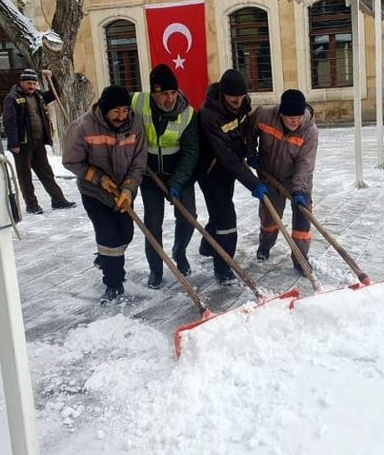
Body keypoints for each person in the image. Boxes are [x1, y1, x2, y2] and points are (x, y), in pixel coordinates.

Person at [62, 85, 147, 303]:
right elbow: (71, 161)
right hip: (95, 193)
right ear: (104, 108)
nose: (121, 116)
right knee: (109, 236)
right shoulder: (82, 127)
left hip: (123, 191)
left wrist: (128, 189)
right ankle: (114, 283)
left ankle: (106, 258)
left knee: (126, 234)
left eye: (125, 110)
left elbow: (139, 162)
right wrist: (98, 178)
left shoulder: (135, 124)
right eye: (116, 111)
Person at [131, 64, 198, 289]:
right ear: (153, 93)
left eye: (172, 92)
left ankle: (179, 252)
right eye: (163, 93)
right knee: (153, 224)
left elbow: (191, 153)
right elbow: (110, 104)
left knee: (188, 217)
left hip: (179, 173)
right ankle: (156, 269)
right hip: (150, 176)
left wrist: (177, 183)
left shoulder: (187, 113)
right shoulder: (138, 103)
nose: (169, 99)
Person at [197, 69, 267, 285]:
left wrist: (251, 153)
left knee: (219, 213)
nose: (238, 100)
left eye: (241, 95)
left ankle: (208, 245)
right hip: (210, 171)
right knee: (227, 219)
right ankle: (223, 269)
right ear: (223, 94)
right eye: (233, 97)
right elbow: (225, 154)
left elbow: (244, 131)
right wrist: (253, 183)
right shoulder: (208, 114)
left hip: (231, 169)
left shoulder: (243, 103)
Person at [248, 89, 318, 275]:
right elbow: (248, 132)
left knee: (303, 220)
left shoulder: (309, 131)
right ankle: (265, 246)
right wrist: (250, 152)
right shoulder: (264, 115)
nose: (295, 121)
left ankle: (300, 259)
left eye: (298, 117)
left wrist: (299, 191)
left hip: (298, 180)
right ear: (280, 114)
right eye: (289, 118)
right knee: (270, 218)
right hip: (270, 176)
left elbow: (305, 164)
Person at [2, 68, 76, 214]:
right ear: (21, 82)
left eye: (34, 83)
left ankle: (58, 200)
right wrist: (14, 143)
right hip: (23, 144)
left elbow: (56, 94)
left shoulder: (38, 96)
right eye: (29, 83)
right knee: (25, 176)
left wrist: (52, 78)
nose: (31, 86)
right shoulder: (13, 98)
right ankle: (32, 205)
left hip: (38, 142)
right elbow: (9, 121)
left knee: (46, 172)